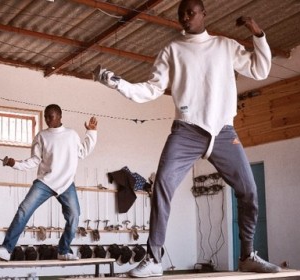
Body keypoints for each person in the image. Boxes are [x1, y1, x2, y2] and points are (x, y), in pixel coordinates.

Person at [94, 0, 281, 277]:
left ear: (204, 14)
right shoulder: (172, 50)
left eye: (191, 13)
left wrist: (258, 34)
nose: (185, 18)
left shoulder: (225, 46)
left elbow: (259, 70)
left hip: (223, 132)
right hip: (186, 131)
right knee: (162, 187)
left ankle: (247, 256)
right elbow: (151, 89)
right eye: (181, 14)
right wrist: (118, 83)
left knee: (250, 192)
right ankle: (154, 258)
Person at [0, 104, 98, 261]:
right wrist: (15, 164)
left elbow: (83, 152)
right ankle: (6, 249)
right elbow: (34, 160)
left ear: (59, 116)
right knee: (23, 210)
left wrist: (91, 132)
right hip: (45, 182)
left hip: (66, 183)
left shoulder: (71, 134)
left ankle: (63, 250)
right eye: (45, 116)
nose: (47, 120)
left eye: (50, 117)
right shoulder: (41, 136)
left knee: (74, 217)